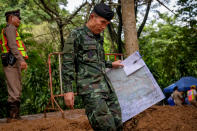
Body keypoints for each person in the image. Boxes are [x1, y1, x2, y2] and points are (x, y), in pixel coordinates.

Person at [62, 3, 123, 130]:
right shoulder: (76, 35)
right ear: (92, 17)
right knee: (106, 127)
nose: (104, 27)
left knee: (118, 123)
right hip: (91, 91)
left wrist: (111, 64)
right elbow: (67, 63)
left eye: (107, 24)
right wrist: (68, 90)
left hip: (107, 88)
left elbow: (96, 61)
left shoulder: (98, 38)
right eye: (102, 22)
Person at [0, 9, 28, 122]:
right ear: (11, 18)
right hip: (12, 61)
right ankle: (13, 117)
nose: (19, 20)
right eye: (18, 18)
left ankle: (15, 116)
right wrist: (21, 59)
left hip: (13, 61)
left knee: (16, 87)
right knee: (14, 89)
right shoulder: (10, 28)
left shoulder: (11, 29)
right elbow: (12, 45)